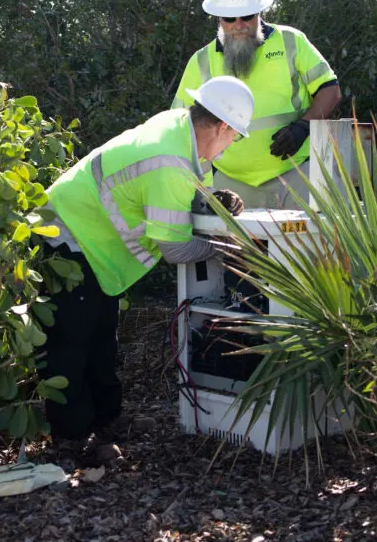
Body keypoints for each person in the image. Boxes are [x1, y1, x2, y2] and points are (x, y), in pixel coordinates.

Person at [38, 76, 254, 466]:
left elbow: (180, 193)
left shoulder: (180, 131)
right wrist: (226, 249)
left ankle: (108, 421)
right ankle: (70, 440)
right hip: (68, 237)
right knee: (70, 344)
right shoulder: (170, 158)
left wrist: (211, 201)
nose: (231, 146)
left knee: (101, 336)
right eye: (235, 137)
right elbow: (176, 250)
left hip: (89, 238)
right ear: (222, 126)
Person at [171, 0, 342, 209]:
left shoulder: (291, 41)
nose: (239, 25)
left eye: (247, 16)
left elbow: (330, 91)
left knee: (308, 245)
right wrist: (203, 186)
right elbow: (180, 125)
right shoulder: (201, 61)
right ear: (219, 18)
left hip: (297, 176)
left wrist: (302, 127)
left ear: (259, 12)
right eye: (230, 18)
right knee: (235, 249)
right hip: (231, 184)